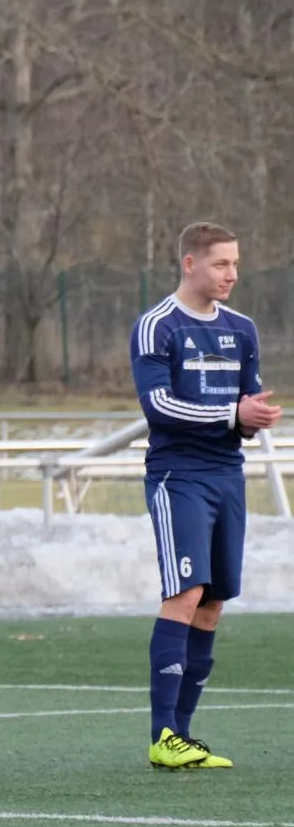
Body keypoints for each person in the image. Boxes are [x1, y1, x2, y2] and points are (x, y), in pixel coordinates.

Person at [130, 222, 279, 769]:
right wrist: (231, 414)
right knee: (186, 592)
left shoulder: (242, 329)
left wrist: (252, 417)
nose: (231, 274)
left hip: (227, 475)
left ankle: (184, 735)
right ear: (189, 263)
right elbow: (159, 406)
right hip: (179, 476)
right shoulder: (157, 326)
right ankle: (162, 734)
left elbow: (244, 404)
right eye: (221, 263)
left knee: (213, 603)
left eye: (235, 263)